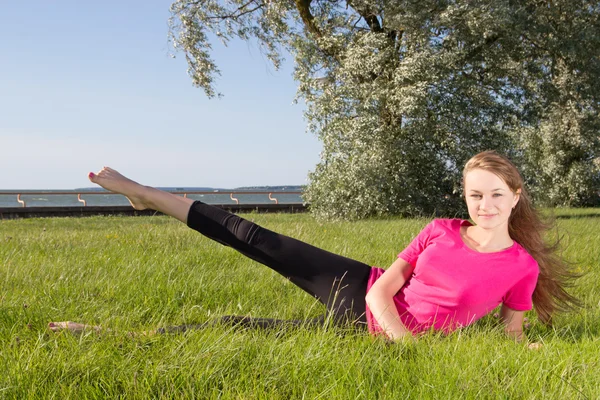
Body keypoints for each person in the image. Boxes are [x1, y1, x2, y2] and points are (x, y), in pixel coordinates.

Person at [49, 151, 580, 342]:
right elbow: (382, 293)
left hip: (361, 334)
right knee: (257, 239)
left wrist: (524, 344)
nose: (483, 205)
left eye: (494, 195)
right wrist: (402, 339)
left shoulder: (521, 267)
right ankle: (140, 191)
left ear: (515, 197)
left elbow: (512, 330)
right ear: (463, 197)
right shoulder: (441, 229)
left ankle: (108, 332)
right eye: (474, 195)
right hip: (362, 294)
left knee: (241, 328)